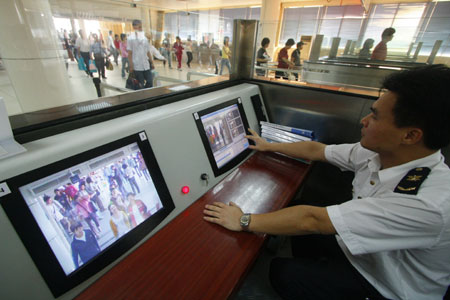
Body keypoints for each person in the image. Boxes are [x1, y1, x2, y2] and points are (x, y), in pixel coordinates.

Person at [203, 65, 450, 300]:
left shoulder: (428, 202)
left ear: (410, 135)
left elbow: (312, 220)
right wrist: (269, 145)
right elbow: (317, 150)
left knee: (283, 272)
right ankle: (320, 268)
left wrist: (243, 220)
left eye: (375, 116)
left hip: (385, 286)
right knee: (298, 207)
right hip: (367, 254)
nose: (364, 121)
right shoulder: (382, 154)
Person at [127, 20, 154, 89]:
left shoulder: (144, 38)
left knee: (150, 81)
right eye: (139, 26)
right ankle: (143, 95)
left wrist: (152, 62)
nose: (140, 28)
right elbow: (129, 54)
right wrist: (131, 66)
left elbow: (148, 52)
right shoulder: (130, 39)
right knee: (140, 84)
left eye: (141, 26)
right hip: (137, 66)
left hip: (146, 65)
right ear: (134, 27)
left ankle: (147, 94)